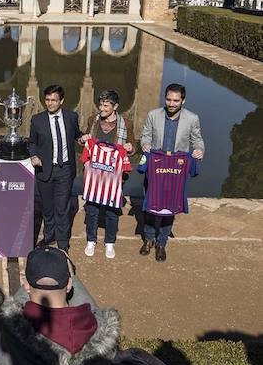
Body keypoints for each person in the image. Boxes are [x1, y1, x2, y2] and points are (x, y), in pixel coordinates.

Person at [139, 83, 204, 261]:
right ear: (164, 98)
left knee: (170, 209)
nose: (171, 103)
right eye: (168, 99)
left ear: (183, 100)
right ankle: (148, 239)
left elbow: (197, 140)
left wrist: (199, 151)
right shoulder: (153, 115)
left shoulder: (192, 118)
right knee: (150, 207)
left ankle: (161, 243)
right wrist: (145, 144)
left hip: (176, 171)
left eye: (176, 100)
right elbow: (145, 134)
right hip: (155, 169)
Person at [80, 89, 135, 260]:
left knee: (112, 209)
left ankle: (109, 242)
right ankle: (91, 239)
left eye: (105, 105)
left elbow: (132, 145)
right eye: (100, 104)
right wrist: (83, 139)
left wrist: (130, 148)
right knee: (92, 208)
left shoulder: (126, 123)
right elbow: (84, 140)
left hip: (114, 175)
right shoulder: (93, 120)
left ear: (115, 106)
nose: (101, 108)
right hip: (94, 173)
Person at [29, 85, 82, 251]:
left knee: (62, 208)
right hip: (45, 169)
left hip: (65, 169)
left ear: (61, 101)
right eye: (47, 100)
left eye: (53, 100)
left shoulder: (71, 117)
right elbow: (32, 142)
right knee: (47, 208)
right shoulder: (37, 120)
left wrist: (82, 138)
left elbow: (77, 135)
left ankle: (63, 244)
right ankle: (48, 237)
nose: (50, 103)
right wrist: (33, 155)